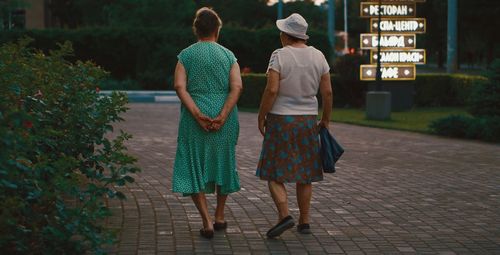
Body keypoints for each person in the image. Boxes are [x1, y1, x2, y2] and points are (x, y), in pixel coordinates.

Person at [256, 13, 333, 238]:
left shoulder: (279, 55)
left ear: (285, 35)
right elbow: (327, 92)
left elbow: (271, 90)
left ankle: (284, 215)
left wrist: (262, 116)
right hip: (308, 120)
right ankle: (305, 221)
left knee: (273, 171)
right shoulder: (318, 56)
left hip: (281, 119)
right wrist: (325, 120)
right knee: (305, 173)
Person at [172, 7, 242, 239]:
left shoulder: (186, 55)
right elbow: (237, 87)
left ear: (196, 30)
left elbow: (179, 86)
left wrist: (196, 113)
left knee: (193, 167)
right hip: (226, 118)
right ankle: (220, 215)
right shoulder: (229, 56)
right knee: (223, 162)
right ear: (217, 30)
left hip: (194, 119)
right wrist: (223, 114)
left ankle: (206, 222)